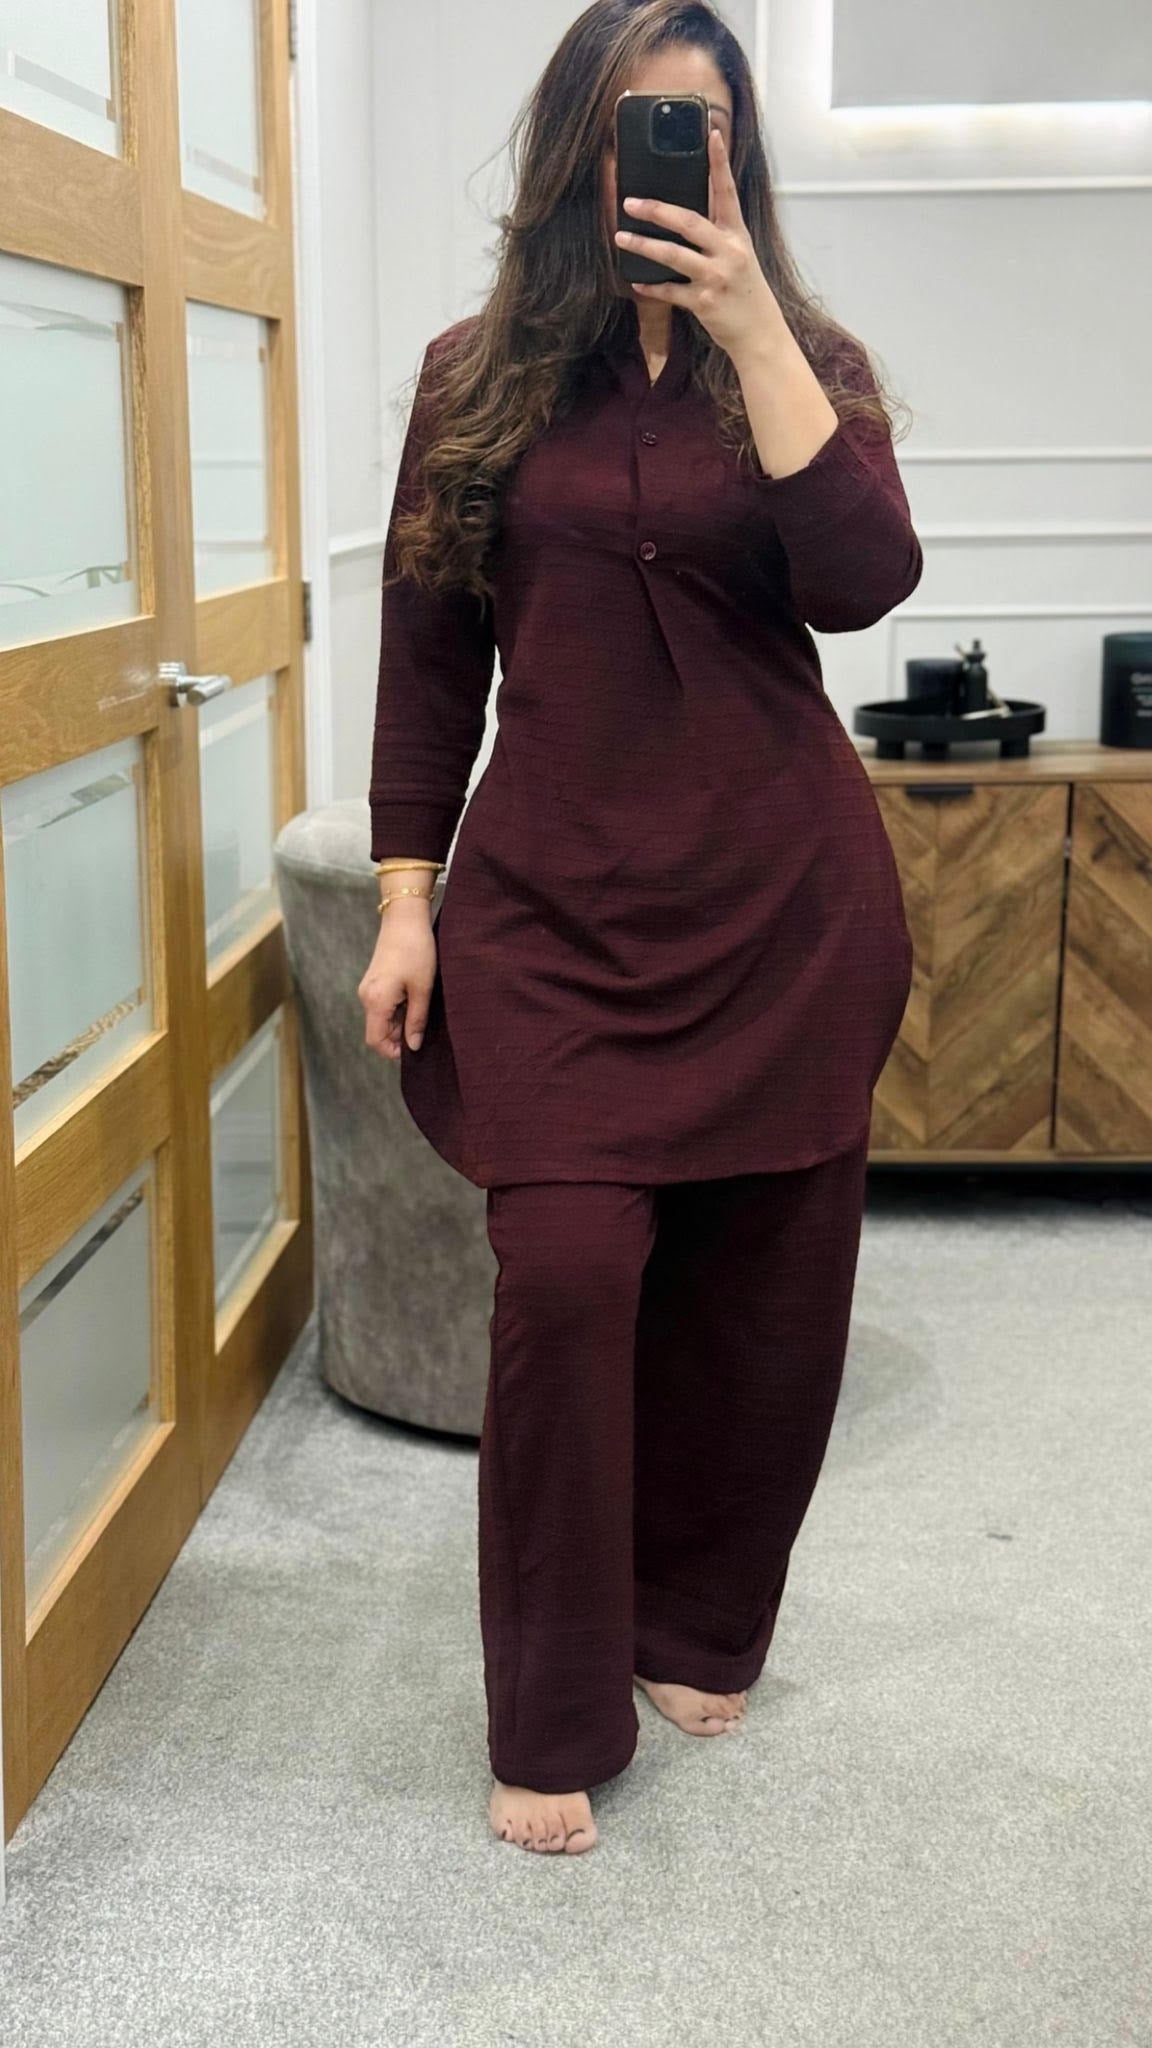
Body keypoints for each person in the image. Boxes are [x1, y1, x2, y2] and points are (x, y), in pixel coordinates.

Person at [359, 0, 922, 1857]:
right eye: (631, 125)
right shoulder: (472, 378)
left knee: (767, 1301)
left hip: (781, 906)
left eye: (701, 128)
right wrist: (405, 898)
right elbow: (428, 659)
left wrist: (755, 327)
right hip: (551, 915)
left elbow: (863, 584)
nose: (665, 160)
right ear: (570, 152)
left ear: (741, 155)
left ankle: (695, 1619)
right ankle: (551, 1707)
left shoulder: (809, 362)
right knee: (568, 1279)